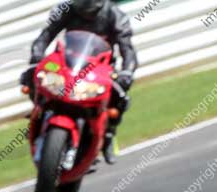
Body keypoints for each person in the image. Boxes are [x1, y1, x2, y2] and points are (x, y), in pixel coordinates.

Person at [23, 0, 138, 164]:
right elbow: (45, 36)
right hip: (67, 62)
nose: (86, 13)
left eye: (90, 10)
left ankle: (108, 134)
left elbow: (127, 49)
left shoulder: (115, 15)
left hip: (101, 67)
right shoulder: (66, 9)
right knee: (32, 75)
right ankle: (39, 111)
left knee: (120, 96)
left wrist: (127, 71)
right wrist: (37, 57)